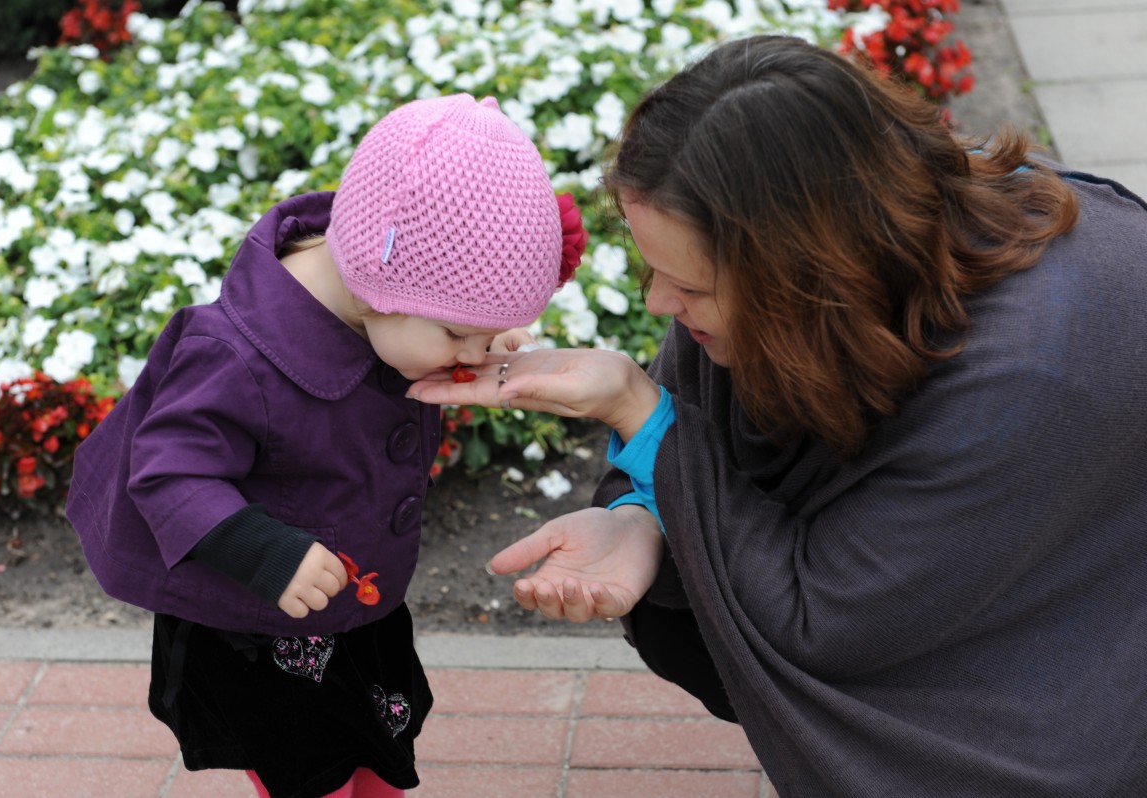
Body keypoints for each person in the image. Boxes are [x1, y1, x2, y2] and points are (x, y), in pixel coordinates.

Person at [407, 35, 1147, 797]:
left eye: (688, 287)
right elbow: (694, 425)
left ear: (808, 275)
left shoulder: (1023, 379)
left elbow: (823, 625)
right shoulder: (841, 226)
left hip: (1073, 611)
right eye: (655, 271)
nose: (661, 304)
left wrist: (638, 410)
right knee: (684, 606)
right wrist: (640, 517)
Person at [66, 93, 585, 798]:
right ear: (378, 287)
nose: (470, 351)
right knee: (310, 778)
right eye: (459, 333)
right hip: (265, 624)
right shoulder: (234, 355)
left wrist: (479, 333)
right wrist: (263, 552)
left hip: (355, 609)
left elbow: (426, 324)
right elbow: (166, 471)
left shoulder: (392, 301)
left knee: (373, 759)